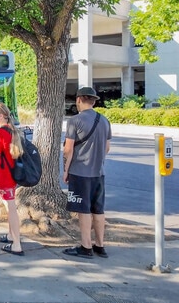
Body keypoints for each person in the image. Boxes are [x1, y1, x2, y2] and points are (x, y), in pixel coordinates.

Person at [62, 86, 112, 259]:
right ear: (94, 101)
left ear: (78, 100)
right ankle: (100, 245)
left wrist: (66, 170)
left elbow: (68, 149)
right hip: (99, 173)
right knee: (98, 210)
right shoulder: (104, 121)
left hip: (80, 172)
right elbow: (107, 148)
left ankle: (86, 246)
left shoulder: (74, 121)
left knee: (83, 211)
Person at [0, 103, 24, 255]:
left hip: (3, 172)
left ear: (1, 115)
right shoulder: (13, 130)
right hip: (12, 171)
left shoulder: (0, 133)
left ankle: (16, 243)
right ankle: (11, 235)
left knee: (10, 207)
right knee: (10, 204)